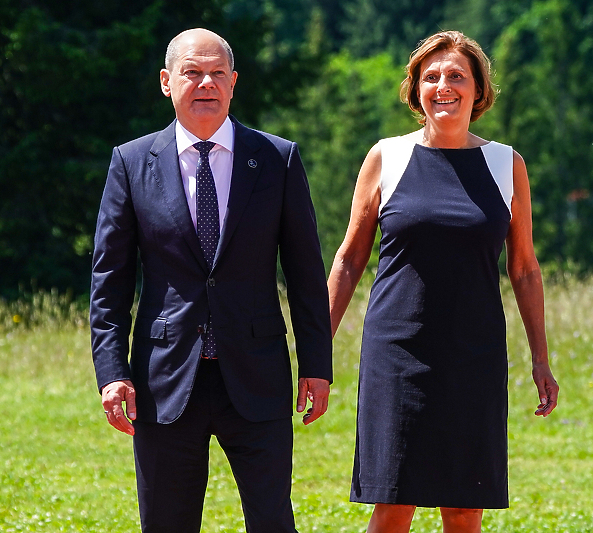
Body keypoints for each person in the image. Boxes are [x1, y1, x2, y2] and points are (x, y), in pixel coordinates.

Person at [89, 28, 332, 533]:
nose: (206, 83)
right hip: (164, 379)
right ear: (166, 82)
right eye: (192, 72)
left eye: (218, 73)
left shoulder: (276, 159)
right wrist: (112, 372)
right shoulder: (131, 163)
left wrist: (317, 364)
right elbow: (109, 282)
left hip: (257, 374)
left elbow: (306, 272)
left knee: (272, 522)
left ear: (234, 82)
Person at [327, 31, 559, 533]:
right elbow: (348, 260)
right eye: (430, 77)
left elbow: (524, 268)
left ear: (479, 91)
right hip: (396, 353)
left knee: (463, 508)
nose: (443, 86)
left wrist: (540, 358)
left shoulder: (506, 164)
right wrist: (316, 349)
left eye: (457, 76)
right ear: (416, 90)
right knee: (393, 505)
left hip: (473, 355)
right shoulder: (386, 157)